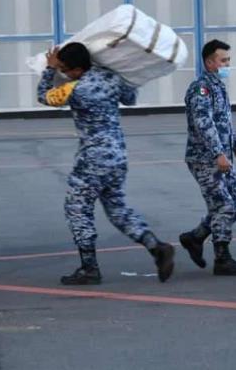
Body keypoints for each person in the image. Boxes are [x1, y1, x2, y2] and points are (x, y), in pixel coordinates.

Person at [37, 42, 174, 285]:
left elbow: (44, 97)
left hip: (94, 157)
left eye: (65, 70)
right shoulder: (109, 77)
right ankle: (156, 246)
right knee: (117, 208)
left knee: (77, 208)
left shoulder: (76, 89)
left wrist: (49, 70)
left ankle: (89, 268)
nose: (64, 74)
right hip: (117, 155)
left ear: (77, 69)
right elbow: (130, 98)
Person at [179, 39, 236, 276]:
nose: (227, 64)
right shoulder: (200, 88)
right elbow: (203, 124)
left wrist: (235, 144)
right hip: (205, 159)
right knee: (224, 205)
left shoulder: (218, 86)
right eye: (223, 60)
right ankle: (222, 258)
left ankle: (195, 237)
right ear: (210, 62)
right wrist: (218, 153)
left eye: (229, 60)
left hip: (222, 155)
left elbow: (223, 122)